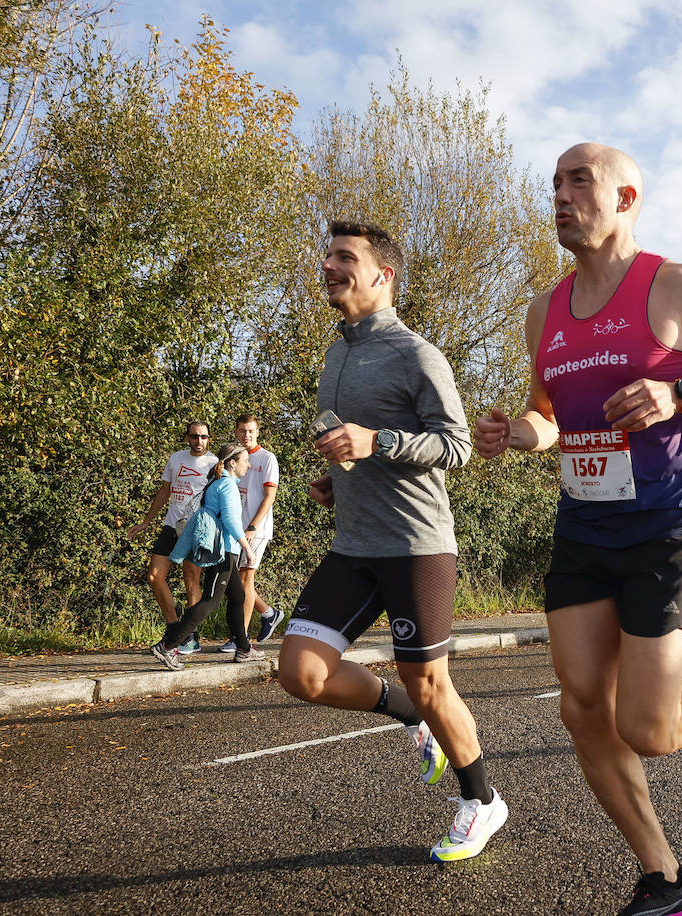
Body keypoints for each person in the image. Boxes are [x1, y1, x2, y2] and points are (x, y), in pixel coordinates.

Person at [473, 143, 682, 914]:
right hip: (584, 527)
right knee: (582, 706)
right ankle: (666, 880)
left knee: (646, 727)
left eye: (578, 179)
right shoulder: (541, 311)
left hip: (664, 530)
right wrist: (517, 434)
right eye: (553, 182)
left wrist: (680, 391)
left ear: (626, 199)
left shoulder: (673, 285)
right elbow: (546, 417)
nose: (560, 193)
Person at [277, 221, 504, 864]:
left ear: (384, 275)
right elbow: (352, 441)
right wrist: (336, 477)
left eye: (345, 257)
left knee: (432, 681)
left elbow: (456, 445)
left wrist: (378, 443)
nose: (328, 265)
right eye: (326, 256)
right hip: (355, 541)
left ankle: (481, 801)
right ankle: (411, 717)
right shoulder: (336, 352)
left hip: (416, 543)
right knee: (301, 672)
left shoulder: (415, 354)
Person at [149, 443, 258, 668]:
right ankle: (168, 646)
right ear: (232, 463)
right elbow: (230, 520)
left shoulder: (217, 482)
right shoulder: (227, 485)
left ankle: (244, 649)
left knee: (237, 596)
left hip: (225, 550)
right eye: (245, 460)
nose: (249, 464)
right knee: (210, 600)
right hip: (224, 551)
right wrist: (247, 548)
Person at [126, 421, 218, 653]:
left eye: (204, 437)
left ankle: (190, 636)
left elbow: (220, 498)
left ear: (209, 438)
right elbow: (165, 490)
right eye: (195, 437)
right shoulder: (176, 458)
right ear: (187, 438)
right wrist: (146, 521)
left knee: (191, 580)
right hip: (171, 526)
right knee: (154, 576)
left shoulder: (215, 463)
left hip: (195, 529)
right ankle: (174, 628)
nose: (199, 441)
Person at [218, 414, 285, 652]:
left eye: (251, 431)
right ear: (236, 432)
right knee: (232, 580)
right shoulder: (233, 457)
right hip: (234, 528)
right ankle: (268, 613)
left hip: (255, 529)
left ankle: (240, 638)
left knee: (245, 578)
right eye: (242, 431)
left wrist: (253, 526)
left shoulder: (267, 458)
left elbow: (269, 498)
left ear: (257, 432)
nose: (246, 435)